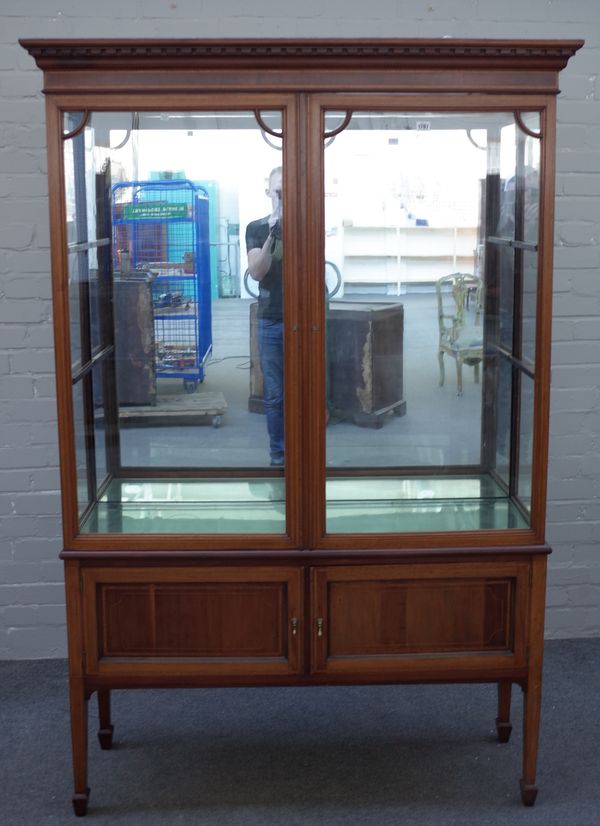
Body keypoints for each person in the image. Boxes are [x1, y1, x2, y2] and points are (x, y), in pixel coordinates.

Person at [246, 167, 285, 467]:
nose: (281, 198)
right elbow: (258, 271)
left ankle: (303, 449)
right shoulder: (257, 228)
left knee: (305, 389)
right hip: (272, 319)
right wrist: (274, 232)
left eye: (287, 192)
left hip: (303, 321)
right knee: (274, 393)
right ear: (268, 192)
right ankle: (278, 453)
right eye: (278, 192)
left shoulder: (306, 226)